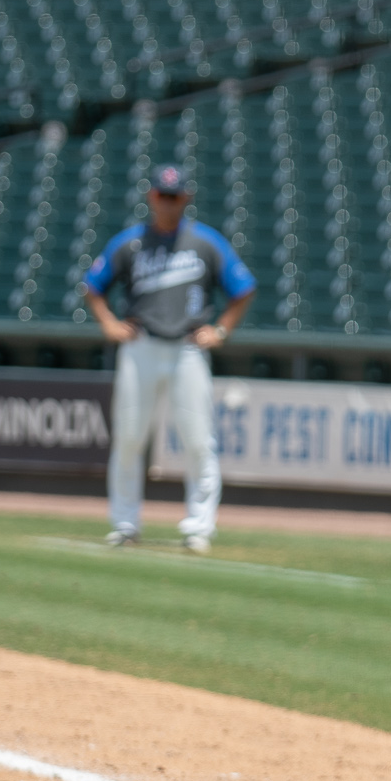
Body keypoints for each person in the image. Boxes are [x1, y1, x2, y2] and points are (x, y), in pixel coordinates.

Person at [83, 164, 255, 554]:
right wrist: (108, 323)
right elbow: (93, 285)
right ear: (152, 197)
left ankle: (199, 527)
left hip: (187, 348)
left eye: (175, 196)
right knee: (129, 437)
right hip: (141, 345)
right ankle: (125, 523)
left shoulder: (205, 242)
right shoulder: (130, 243)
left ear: (186, 198)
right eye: (163, 195)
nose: (168, 202)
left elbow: (243, 287)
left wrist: (221, 330)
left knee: (198, 440)